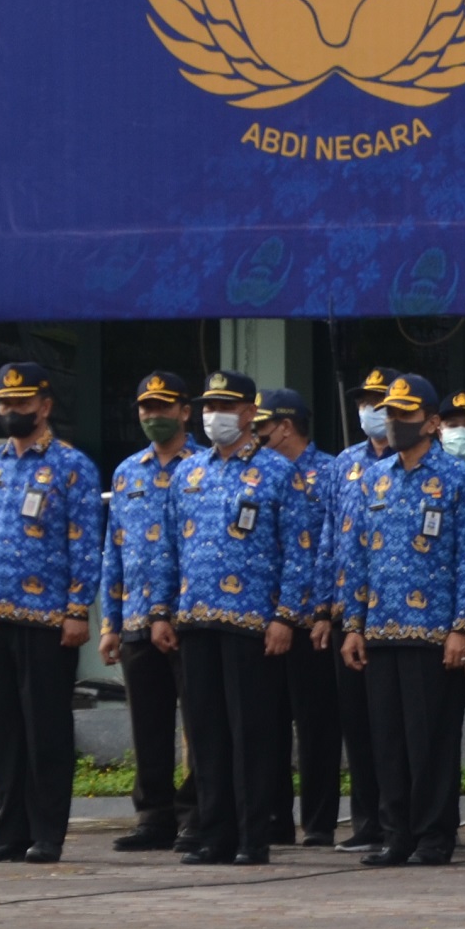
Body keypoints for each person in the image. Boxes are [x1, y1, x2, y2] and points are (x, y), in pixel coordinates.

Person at [0, 362, 100, 864]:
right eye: (3, 402)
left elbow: (85, 543)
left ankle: (47, 834)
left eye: (21, 402)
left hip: (47, 619)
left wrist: (78, 609)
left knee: (46, 730)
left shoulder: (71, 466)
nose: (11, 410)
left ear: (45, 405)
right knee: (1, 732)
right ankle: (7, 832)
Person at [338, 373, 465, 867]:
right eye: (391, 413)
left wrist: (463, 627)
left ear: (432, 421)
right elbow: (355, 555)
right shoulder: (374, 479)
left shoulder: (458, 477)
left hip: (434, 632)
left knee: (431, 741)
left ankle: (433, 835)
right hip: (381, 629)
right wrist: (353, 625)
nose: (394, 421)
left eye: (405, 413)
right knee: (388, 740)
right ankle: (395, 833)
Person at [166, 371, 294, 867]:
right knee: (207, 734)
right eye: (207, 406)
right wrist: (163, 612)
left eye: (223, 406)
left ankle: (251, 836)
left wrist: (286, 615)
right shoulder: (189, 472)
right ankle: (213, 833)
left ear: (248, 413)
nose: (212, 414)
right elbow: (171, 548)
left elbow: (298, 549)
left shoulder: (276, 472)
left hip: (252, 622)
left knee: (252, 733)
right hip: (196, 618)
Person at [96, 371, 189, 852]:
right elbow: (114, 549)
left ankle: (197, 813)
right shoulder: (128, 471)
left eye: (163, 407)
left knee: (200, 723)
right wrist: (109, 623)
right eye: (146, 408)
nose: (154, 416)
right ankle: (153, 816)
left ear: (184, 412)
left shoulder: (203, 467)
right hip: (133, 618)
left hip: (190, 618)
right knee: (148, 724)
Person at [255, 389, 345, 848]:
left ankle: (320, 821)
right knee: (266, 721)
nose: (255, 435)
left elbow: (333, 547)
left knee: (316, 726)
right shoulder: (257, 473)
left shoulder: (330, 472)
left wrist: (326, 610)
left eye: (261, 426)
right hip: (263, 615)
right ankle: (274, 817)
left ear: (285, 426)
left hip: (312, 620)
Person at [325, 367, 401, 850]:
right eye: (364, 400)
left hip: (402, 611)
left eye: (379, 400)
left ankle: (403, 819)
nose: (370, 409)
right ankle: (366, 822)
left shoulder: (414, 460)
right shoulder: (345, 463)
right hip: (350, 610)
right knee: (356, 721)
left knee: (394, 724)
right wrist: (322, 608)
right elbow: (331, 536)